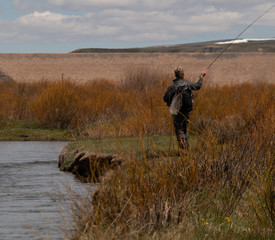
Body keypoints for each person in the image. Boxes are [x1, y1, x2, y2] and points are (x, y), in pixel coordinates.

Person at [163, 67, 206, 149]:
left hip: (177, 111)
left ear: (175, 75)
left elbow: (165, 98)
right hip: (187, 110)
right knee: (185, 128)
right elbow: (198, 86)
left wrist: (172, 101)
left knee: (178, 129)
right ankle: (186, 148)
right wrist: (201, 77)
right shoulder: (188, 84)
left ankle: (183, 149)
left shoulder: (173, 86)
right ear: (183, 74)